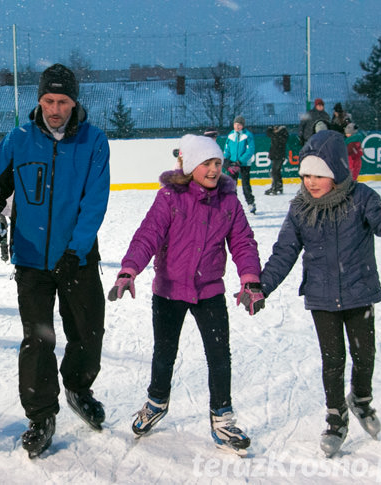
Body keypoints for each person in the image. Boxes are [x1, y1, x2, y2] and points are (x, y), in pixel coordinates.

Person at [0, 63, 110, 459]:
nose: (55, 108)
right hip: (32, 259)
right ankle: (41, 414)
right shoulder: (18, 140)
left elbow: (94, 201)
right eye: (49, 100)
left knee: (88, 332)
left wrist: (76, 249)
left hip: (78, 257)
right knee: (38, 340)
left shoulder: (94, 142)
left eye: (63, 101)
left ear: (74, 101)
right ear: (39, 100)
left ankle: (78, 387)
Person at [256, 130, 381, 457]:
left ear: (337, 173)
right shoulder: (300, 209)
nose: (311, 182)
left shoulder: (361, 198)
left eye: (319, 175)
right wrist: (262, 286)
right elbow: (284, 252)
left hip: (359, 291)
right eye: (306, 174)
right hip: (321, 296)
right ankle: (336, 416)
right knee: (333, 360)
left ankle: (361, 400)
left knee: (364, 356)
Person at [109, 134, 262, 456]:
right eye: (206, 163)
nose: (213, 170)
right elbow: (147, 235)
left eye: (218, 163)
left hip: (209, 289)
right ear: (191, 165)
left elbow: (243, 242)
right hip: (169, 288)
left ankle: (222, 416)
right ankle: (156, 402)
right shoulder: (169, 198)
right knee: (164, 353)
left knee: (220, 355)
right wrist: (129, 269)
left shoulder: (229, 201)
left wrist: (249, 279)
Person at [223, 115, 257, 214]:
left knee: (246, 185)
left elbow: (250, 150)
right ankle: (232, 205)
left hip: (244, 164)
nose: (237, 126)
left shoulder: (247, 135)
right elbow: (227, 149)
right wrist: (226, 159)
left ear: (243, 126)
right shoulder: (230, 135)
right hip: (233, 164)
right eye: (235, 124)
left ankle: (251, 203)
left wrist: (240, 161)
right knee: (231, 185)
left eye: (239, 125)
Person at [265, 125, 289, 195]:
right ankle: (278, 187)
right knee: (276, 172)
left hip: (279, 156)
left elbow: (272, 135)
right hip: (277, 155)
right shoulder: (278, 135)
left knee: (274, 172)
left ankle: (275, 188)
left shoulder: (281, 134)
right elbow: (269, 134)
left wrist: (273, 131)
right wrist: (270, 129)